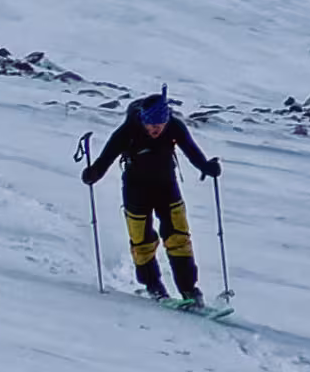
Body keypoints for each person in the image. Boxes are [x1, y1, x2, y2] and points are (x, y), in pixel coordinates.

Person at [83, 87, 220, 303]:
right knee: (141, 241)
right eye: (150, 125)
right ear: (143, 119)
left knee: (178, 238)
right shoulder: (128, 131)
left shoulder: (175, 127)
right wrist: (93, 174)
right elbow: (106, 158)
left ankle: (189, 290)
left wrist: (206, 166)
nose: (155, 130)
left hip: (167, 188)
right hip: (136, 190)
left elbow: (191, 150)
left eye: (159, 125)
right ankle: (153, 286)